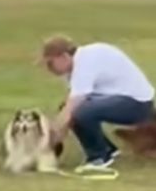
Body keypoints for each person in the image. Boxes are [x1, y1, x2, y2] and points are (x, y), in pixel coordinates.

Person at [41, 33, 155, 174]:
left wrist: (50, 139)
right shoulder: (76, 66)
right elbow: (68, 109)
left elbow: (72, 108)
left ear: (64, 56)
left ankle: (99, 157)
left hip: (138, 105)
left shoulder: (85, 62)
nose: (49, 69)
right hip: (124, 99)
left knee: (80, 111)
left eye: (50, 63)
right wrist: (55, 142)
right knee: (72, 109)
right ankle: (108, 149)